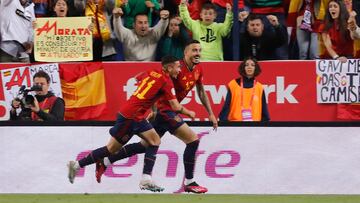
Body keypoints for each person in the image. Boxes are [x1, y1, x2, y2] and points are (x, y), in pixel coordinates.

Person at [95, 40, 218, 194]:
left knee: (144, 146)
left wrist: (211, 114)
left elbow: (201, 92)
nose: (197, 53)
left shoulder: (199, 69)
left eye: (199, 50)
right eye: (194, 50)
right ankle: (189, 182)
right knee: (193, 140)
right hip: (165, 111)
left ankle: (106, 161)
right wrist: (153, 109)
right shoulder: (176, 68)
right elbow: (153, 83)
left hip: (166, 113)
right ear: (185, 53)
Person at [67, 56, 196, 191]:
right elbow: (175, 106)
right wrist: (189, 113)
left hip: (132, 114)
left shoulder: (152, 71)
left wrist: (153, 109)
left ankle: (144, 178)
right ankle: (77, 165)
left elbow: (137, 78)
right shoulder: (166, 80)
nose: (179, 70)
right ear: (169, 68)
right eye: (178, 67)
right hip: (132, 116)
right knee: (112, 149)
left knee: (152, 141)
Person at [219, 57, 270, 121]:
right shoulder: (233, 84)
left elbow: (264, 110)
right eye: (247, 65)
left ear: (256, 68)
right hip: (235, 125)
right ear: (243, 68)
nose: (249, 67)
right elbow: (226, 107)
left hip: (255, 127)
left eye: (252, 65)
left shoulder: (259, 87)